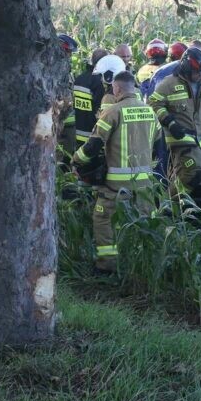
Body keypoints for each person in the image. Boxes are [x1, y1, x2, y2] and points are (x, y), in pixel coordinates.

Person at [72, 71, 160, 272]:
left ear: (117, 88)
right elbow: (157, 142)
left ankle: (107, 266)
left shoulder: (112, 112)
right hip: (145, 185)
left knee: (103, 220)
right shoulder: (149, 111)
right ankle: (142, 266)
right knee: (142, 223)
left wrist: (76, 160)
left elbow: (93, 146)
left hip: (116, 185)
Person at [148, 47, 201, 195]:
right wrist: (170, 122)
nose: (199, 75)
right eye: (197, 72)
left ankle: (172, 211)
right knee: (198, 169)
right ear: (186, 67)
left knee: (181, 175)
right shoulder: (169, 83)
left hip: (198, 138)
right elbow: (153, 103)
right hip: (179, 137)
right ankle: (171, 205)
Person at [72, 48, 109, 152]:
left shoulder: (79, 78)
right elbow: (100, 110)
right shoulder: (99, 81)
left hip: (78, 132)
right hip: (92, 136)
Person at [57, 34, 80, 162]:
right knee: (59, 158)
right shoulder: (52, 71)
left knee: (67, 157)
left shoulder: (66, 71)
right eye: (68, 52)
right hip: (59, 123)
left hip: (69, 124)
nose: (70, 56)